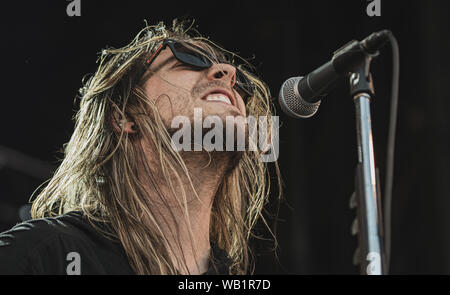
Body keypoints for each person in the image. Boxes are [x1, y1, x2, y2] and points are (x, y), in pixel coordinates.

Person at [0, 20, 281, 275]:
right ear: (124, 115)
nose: (229, 73)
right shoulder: (41, 257)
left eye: (240, 82)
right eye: (190, 59)